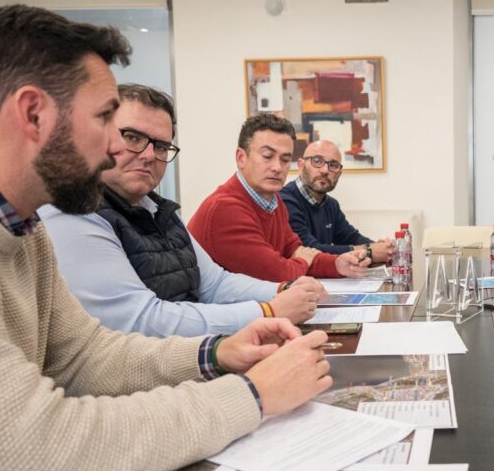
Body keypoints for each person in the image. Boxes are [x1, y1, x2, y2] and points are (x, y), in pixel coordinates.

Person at [0, 5, 333, 471]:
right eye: (105, 120)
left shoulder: (20, 225)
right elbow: (30, 453)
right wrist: (250, 397)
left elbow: (84, 357)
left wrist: (215, 355)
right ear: (33, 114)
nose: (112, 150)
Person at [41, 84, 325, 337]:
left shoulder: (158, 211)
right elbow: (141, 320)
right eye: (132, 137)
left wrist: (282, 290)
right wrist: (268, 311)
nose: (150, 155)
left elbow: (214, 283)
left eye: (162, 146)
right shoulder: (74, 212)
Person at [189, 116, 370, 282]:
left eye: (284, 160)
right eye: (267, 156)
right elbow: (277, 273)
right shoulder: (225, 208)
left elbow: (294, 250)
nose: (277, 167)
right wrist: (302, 260)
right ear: (241, 158)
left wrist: (338, 264)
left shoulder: (274, 202)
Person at [280, 139, 394, 264]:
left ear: (339, 173)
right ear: (301, 165)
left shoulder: (331, 204)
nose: (324, 170)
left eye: (333, 165)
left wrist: (382, 248)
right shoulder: (285, 201)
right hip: (296, 280)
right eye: (317, 161)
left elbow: (351, 238)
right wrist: (369, 251)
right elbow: (309, 250)